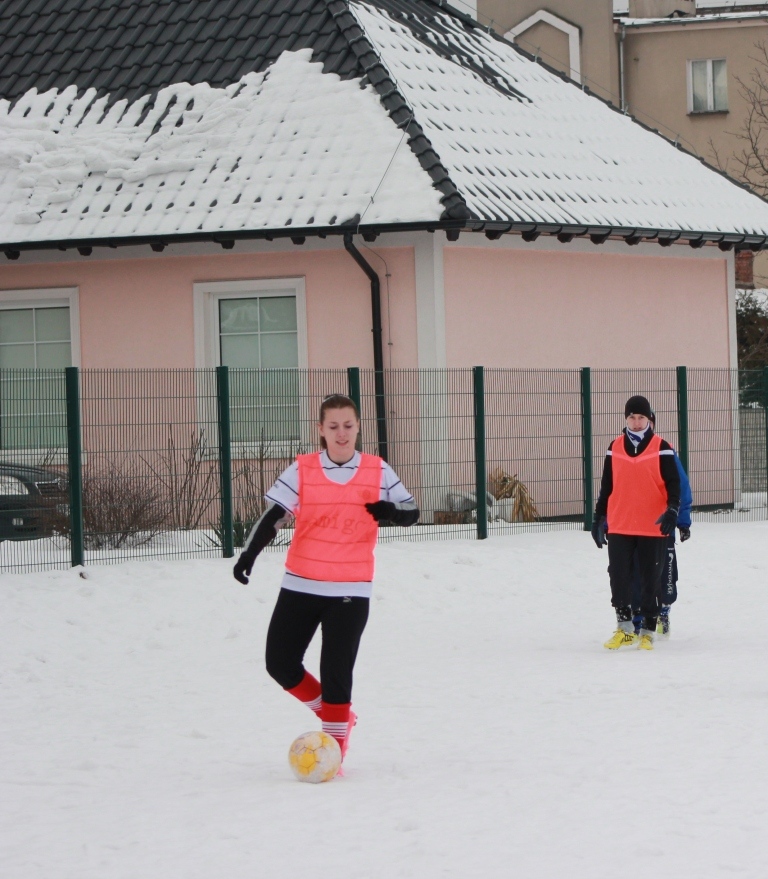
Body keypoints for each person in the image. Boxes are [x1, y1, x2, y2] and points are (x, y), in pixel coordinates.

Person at [232, 394, 419, 765]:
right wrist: (249, 554)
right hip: (301, 583)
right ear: (321, 430)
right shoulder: (302, 469)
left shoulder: (378, 469)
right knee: (279, 663)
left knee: (335, 672)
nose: (341, 433)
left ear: (358, 426)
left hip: (351, 588)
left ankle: (333, 752)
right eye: (333, 426)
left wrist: (390, 511)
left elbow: (411, 513)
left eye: (348, 425)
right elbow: (274, 517)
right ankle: (336, 717)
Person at [591, 395, 680, 651]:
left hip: (652, 525)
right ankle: (625, 628)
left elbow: (674, 485)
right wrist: (599, 517)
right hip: (620, 523)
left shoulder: (661, 446)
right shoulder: (614, 447)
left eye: (641, 417)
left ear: (649, 419)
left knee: (650, 578)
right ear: (625, 419)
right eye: (632, 417)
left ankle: (649, 630)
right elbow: (607, 486)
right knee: (618, 577)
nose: (637, 422)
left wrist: (673, 510)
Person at [630, 412, 692, 638]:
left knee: (665, 570)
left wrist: (683, 521)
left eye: (645, 420)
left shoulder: (665, 452)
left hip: (661, 525)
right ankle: (637, 618)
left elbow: (681, 487)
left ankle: (664, 610)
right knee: (634, 573)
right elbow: (614, 491)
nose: (639, 424)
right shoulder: (624, 452)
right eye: (633, 418)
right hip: (632, 526)